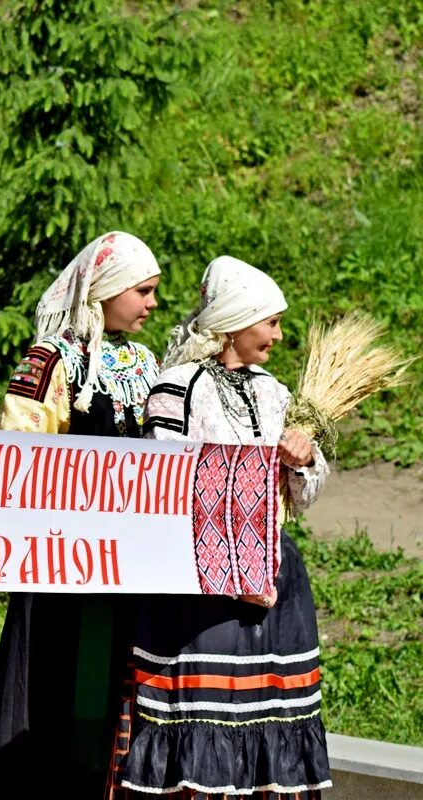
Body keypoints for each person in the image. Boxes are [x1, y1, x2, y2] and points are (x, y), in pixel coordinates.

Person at [108, 256, 331, 797]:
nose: (278, 335)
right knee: (200, 713)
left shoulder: (274, 393)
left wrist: (302, 460)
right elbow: (163, 478)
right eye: (270, 321)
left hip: (272, 575)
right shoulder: (177, 388)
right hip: (199, 583)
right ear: (235, 321)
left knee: (265, 715)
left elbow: (303, 494)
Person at [0, 231, 162, 797]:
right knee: (51, 687)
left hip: (121, 568)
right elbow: (18, 455)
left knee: (104, 698)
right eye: (143, 291)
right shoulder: (51, 360)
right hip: (58, 565)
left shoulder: (145, 363)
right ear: (105, 291)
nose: (152, 303)